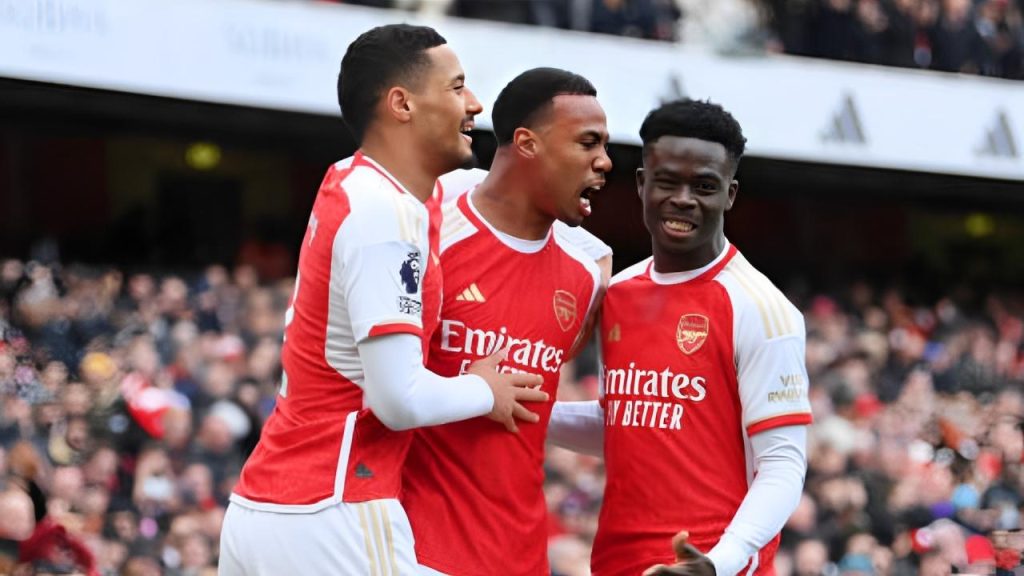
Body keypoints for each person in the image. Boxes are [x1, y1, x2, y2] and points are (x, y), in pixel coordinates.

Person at [218, 24, 546, 575]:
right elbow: (398, 400)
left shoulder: (358, 182)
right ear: (402, 103)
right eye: (457, 86)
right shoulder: (385, 215)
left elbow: (493, 191)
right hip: (334, 507)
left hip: (270, 507)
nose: (474, 103)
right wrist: (485, 390)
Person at [548, 98, 812, 576]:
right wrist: (520, 407)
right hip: (615, 563)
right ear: (642, 183)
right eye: (668, 181)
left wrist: (718, 562)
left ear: (730, 195)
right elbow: (624, 425)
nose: (684, 199)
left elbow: (783, 466)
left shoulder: (761, 309)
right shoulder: (618, 293)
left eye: (704, 186)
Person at [400, 67, 612, 575]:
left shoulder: (591, 274)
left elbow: (544, 409)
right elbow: (377, 387)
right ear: (527, 143)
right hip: (411, 552)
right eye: (588, 143)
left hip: (522, 558)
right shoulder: (427, 226)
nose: (604, 161)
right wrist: (474, 392)